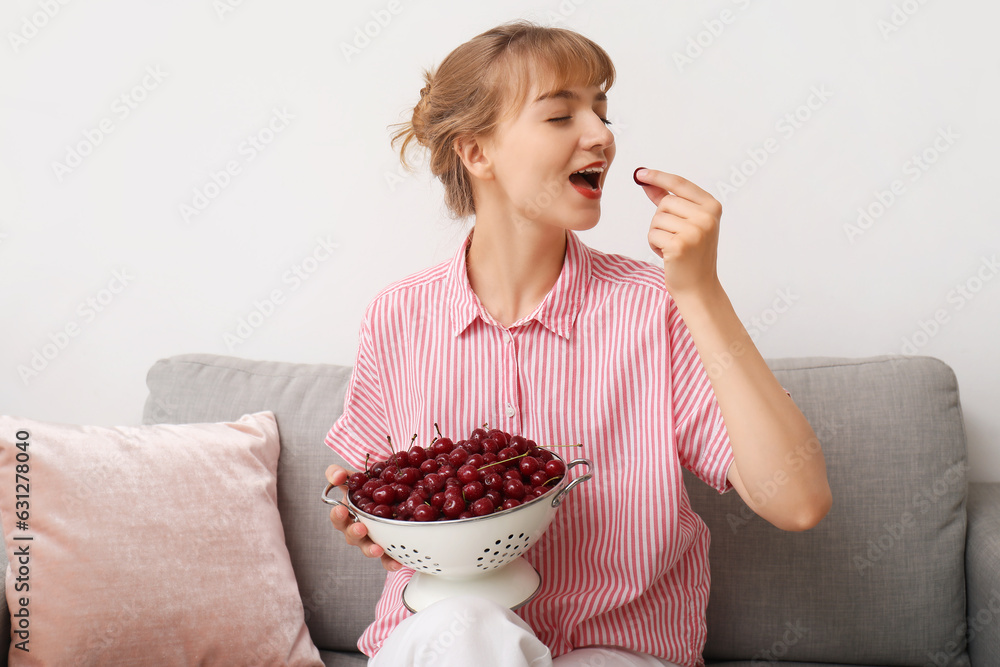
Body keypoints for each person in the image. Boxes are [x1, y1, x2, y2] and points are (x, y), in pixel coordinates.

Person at [324, 20, 832, 667]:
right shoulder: (398, 314)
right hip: (441, 642)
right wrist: (370, 521)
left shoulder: (657, 306)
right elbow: (366, 481)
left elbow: (799, 499)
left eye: (602, 110)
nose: (601, 135)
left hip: (615, 651)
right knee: (462, 624)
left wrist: (700, 289)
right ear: (476, 151)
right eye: (561, 115)